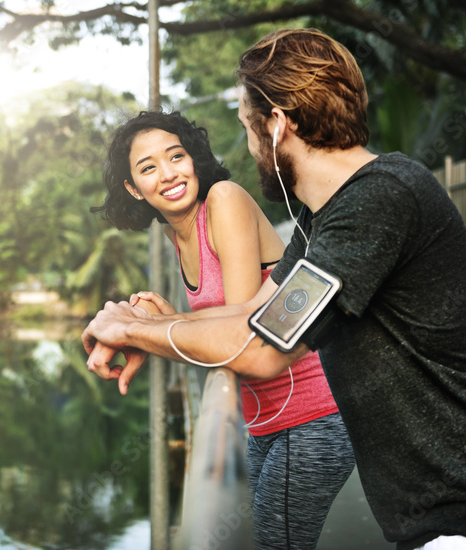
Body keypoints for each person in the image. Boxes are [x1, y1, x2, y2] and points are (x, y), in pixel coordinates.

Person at [82, 28, 466, 550]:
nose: (248, 145)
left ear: (277, 126)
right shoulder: (320, 219)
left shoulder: (378, 200)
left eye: (248, 128)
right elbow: (255, 314)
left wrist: (130, 328)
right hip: (443, 524)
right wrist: (143, 328)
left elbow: (260, 350)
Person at [90, 110, 355, 549]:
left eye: (176, 156)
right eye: (148, 167)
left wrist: (143, 329)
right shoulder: (178, 236)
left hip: (313, 415)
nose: (169, 173)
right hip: (263, 421)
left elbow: (244, 327)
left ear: (194, 159)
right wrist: (155, 324)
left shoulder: (224, 200)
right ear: (134, 189)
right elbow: (219, 325)